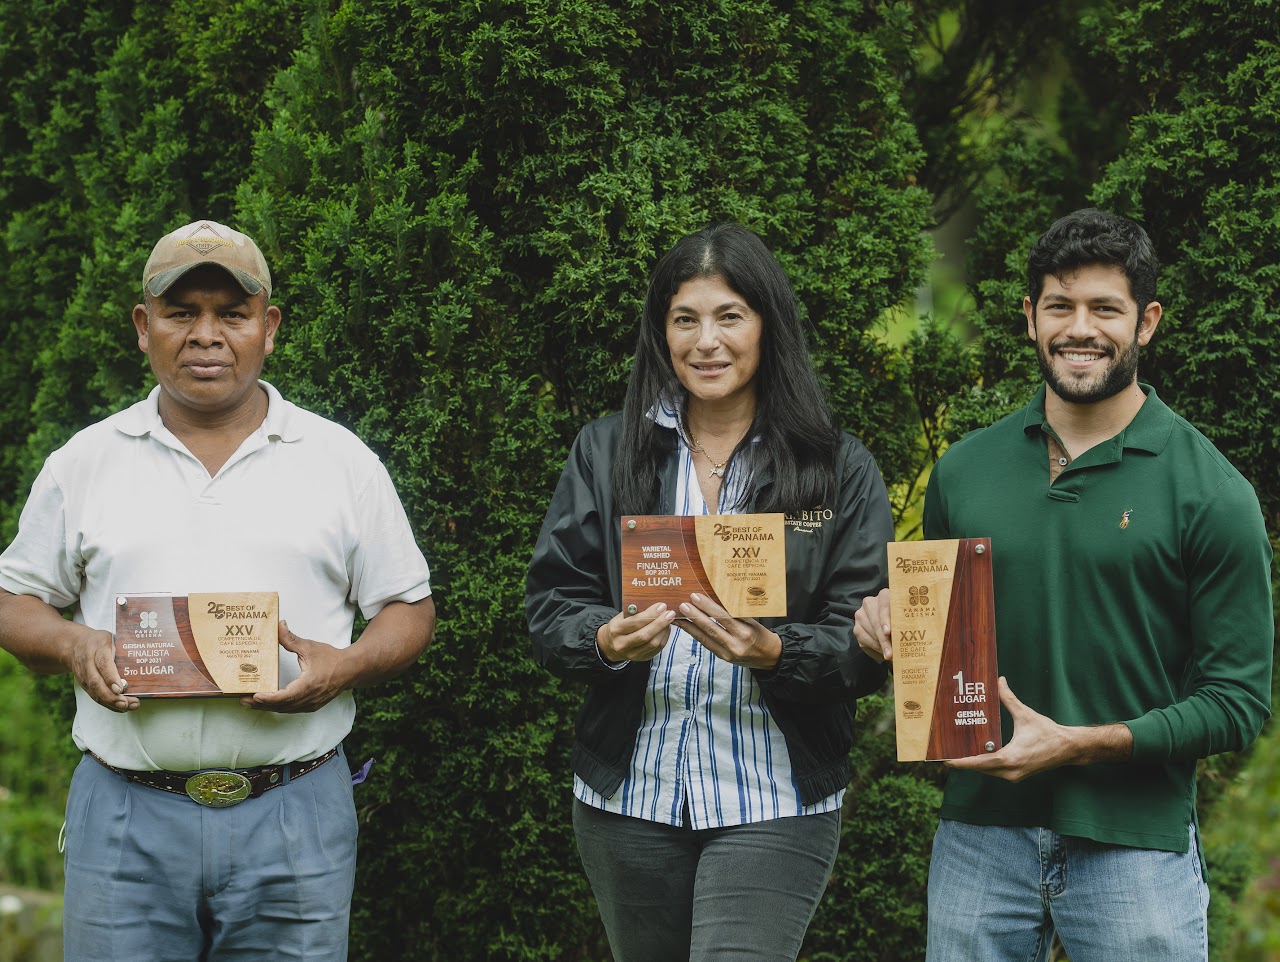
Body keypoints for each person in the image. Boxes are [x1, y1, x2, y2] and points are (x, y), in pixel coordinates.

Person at [0, 219, 436, 962]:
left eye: (232, 314)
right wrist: (73, 643)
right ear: (144, 327)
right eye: (182, 312)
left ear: (269, 327)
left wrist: (348, 664)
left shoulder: (341, 461)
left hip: (294, 810)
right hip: (127, 814)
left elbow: (409, 609)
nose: (207, 335)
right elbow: (15, 603)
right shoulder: (84, 462)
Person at [855, 208, 1273, 962]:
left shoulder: (1212, 493)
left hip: (1135, 845)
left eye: (1105, 308)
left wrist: (1079, 744)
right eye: (1060, 306)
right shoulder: (964, 471)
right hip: (979, 838)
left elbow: (1237, 704)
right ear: (1030, 317)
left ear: (1146, 322)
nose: (1080, 329)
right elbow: (945, 652)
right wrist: (891, 625)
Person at [526, 223, 893, 961]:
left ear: (768, 325)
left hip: (774, 793)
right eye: (684, 320)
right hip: (630, 796)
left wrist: (775, 652)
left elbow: (867, 645)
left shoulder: (835, 467)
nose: (707, 342)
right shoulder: (607, 451)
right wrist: (604, 640)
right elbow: (551, 606)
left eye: (730, 316)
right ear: (661, 332)